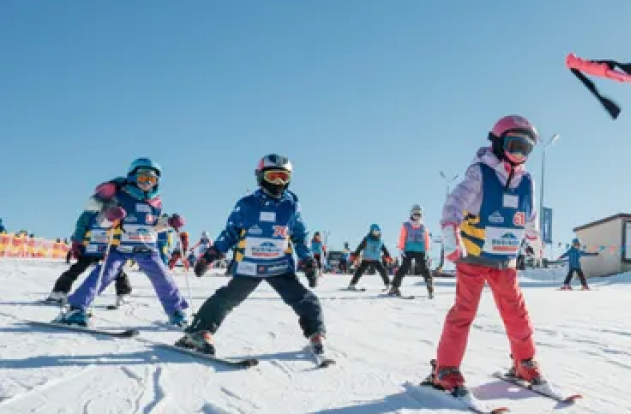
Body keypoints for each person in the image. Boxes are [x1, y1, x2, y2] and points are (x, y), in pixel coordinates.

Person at [426, 115, 545, 393]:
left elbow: (530, 215)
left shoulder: (528, 181)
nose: (519, 154)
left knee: (516, 312)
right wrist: (449, 234)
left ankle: (524, 362)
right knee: (464, 311)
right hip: (475, 256)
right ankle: (446, 368)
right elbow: (453, 204)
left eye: (525, 148)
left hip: (505, 260)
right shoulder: (480, 172)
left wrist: (534, 238)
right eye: (514, 145)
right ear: (498, 143)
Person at [177, 154, 325, 359]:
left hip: (279, 266)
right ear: (261, 177)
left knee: (306, 300)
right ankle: (199, 332)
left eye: (283, 177)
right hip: (249, 266)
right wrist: (211, 255)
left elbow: (300, 237)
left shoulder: (291, 206)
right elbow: (230, 233)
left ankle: (316, 335)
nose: (278, 183)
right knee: (225, 299)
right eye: (273, 177)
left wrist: (308, 260)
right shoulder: (247, 205)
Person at [57, 158, 189, 327]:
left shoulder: (156, 201)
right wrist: (110, 216)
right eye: (142, 177)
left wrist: (169, 223)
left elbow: (153, 225)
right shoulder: (121, 196)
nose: (147, 182)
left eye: (152, 179)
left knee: (163, 277)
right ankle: (76, 308)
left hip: (147, 247)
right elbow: (100, 221)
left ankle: (176, 311)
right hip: (119, 246)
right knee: (104, 274)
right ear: (133, 177)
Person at [47, 207, 135, 305]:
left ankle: (123, 293)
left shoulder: (118, 211)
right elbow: (80, 227)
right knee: (76, 269)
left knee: (116, 271)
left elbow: (126, 230)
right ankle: (59, 292)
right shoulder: (90, 213)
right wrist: (77, 242)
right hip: (90, 248)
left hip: (109, 248)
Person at [389, 205, 435, 298]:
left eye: (419, 214)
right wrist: (401, 248)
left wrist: (426, 250)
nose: (417, 216)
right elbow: (402, 237)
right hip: (408, 250)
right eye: (415, 214)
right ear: (411, 214)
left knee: (424, 268)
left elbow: (426, 239)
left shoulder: (423, 227)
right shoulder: (406, 225)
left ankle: (430, 287)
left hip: (420, 250)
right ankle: (394, 287)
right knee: (404, 268)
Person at [348, 224, 392, 290]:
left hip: (376, 259)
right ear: (371, 232)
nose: (376, 234)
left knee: (382, 271)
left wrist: (388, 257)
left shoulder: (380, 241)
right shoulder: (366, 239)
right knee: (359, 271)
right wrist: (355, 255)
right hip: (366, 259)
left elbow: (384, 249)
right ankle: (352, 284)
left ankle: (388, 284)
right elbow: (360, 247)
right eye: (375, 232)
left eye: (378, 232)